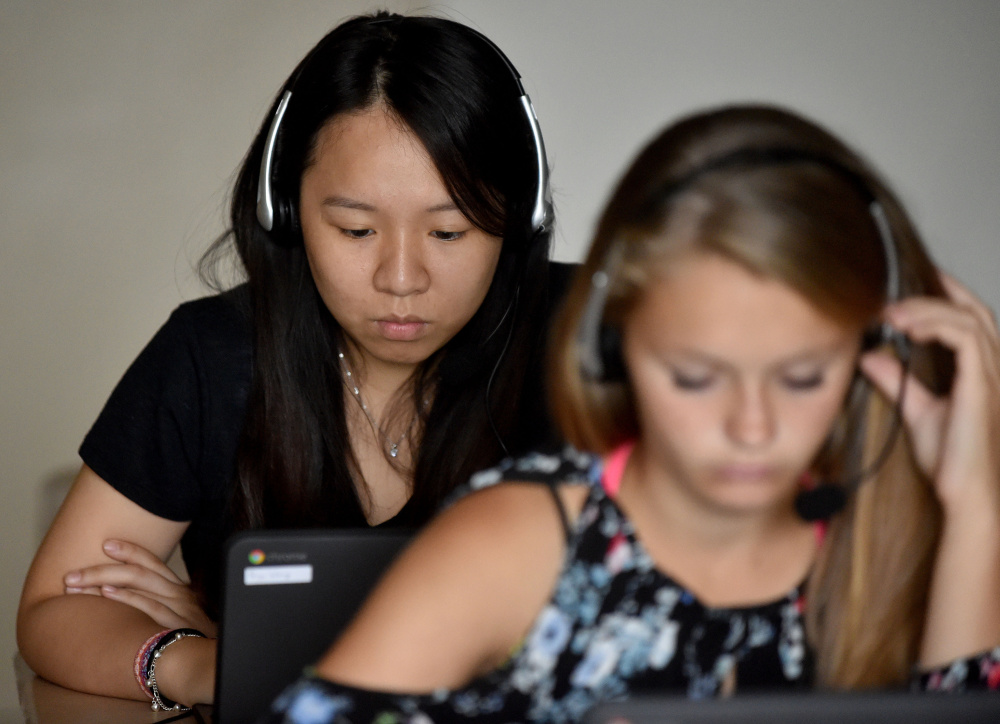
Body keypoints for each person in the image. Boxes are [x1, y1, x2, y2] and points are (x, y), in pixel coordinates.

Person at [262, 104, 1000, 723]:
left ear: (872, 356)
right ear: (611, 348)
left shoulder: (895, 535)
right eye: (695, 377)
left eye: (803, 378)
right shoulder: (516, 543)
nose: (753, 427)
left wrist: (974, 506)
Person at [17, 11, 571, 710]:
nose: (401, 277)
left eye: (451, 230)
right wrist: (213, 663)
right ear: (284, 208)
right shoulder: (213, 355)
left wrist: (278, 647)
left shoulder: (596, 343)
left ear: (520, 216)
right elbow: (54, 608)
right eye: (356, 229)